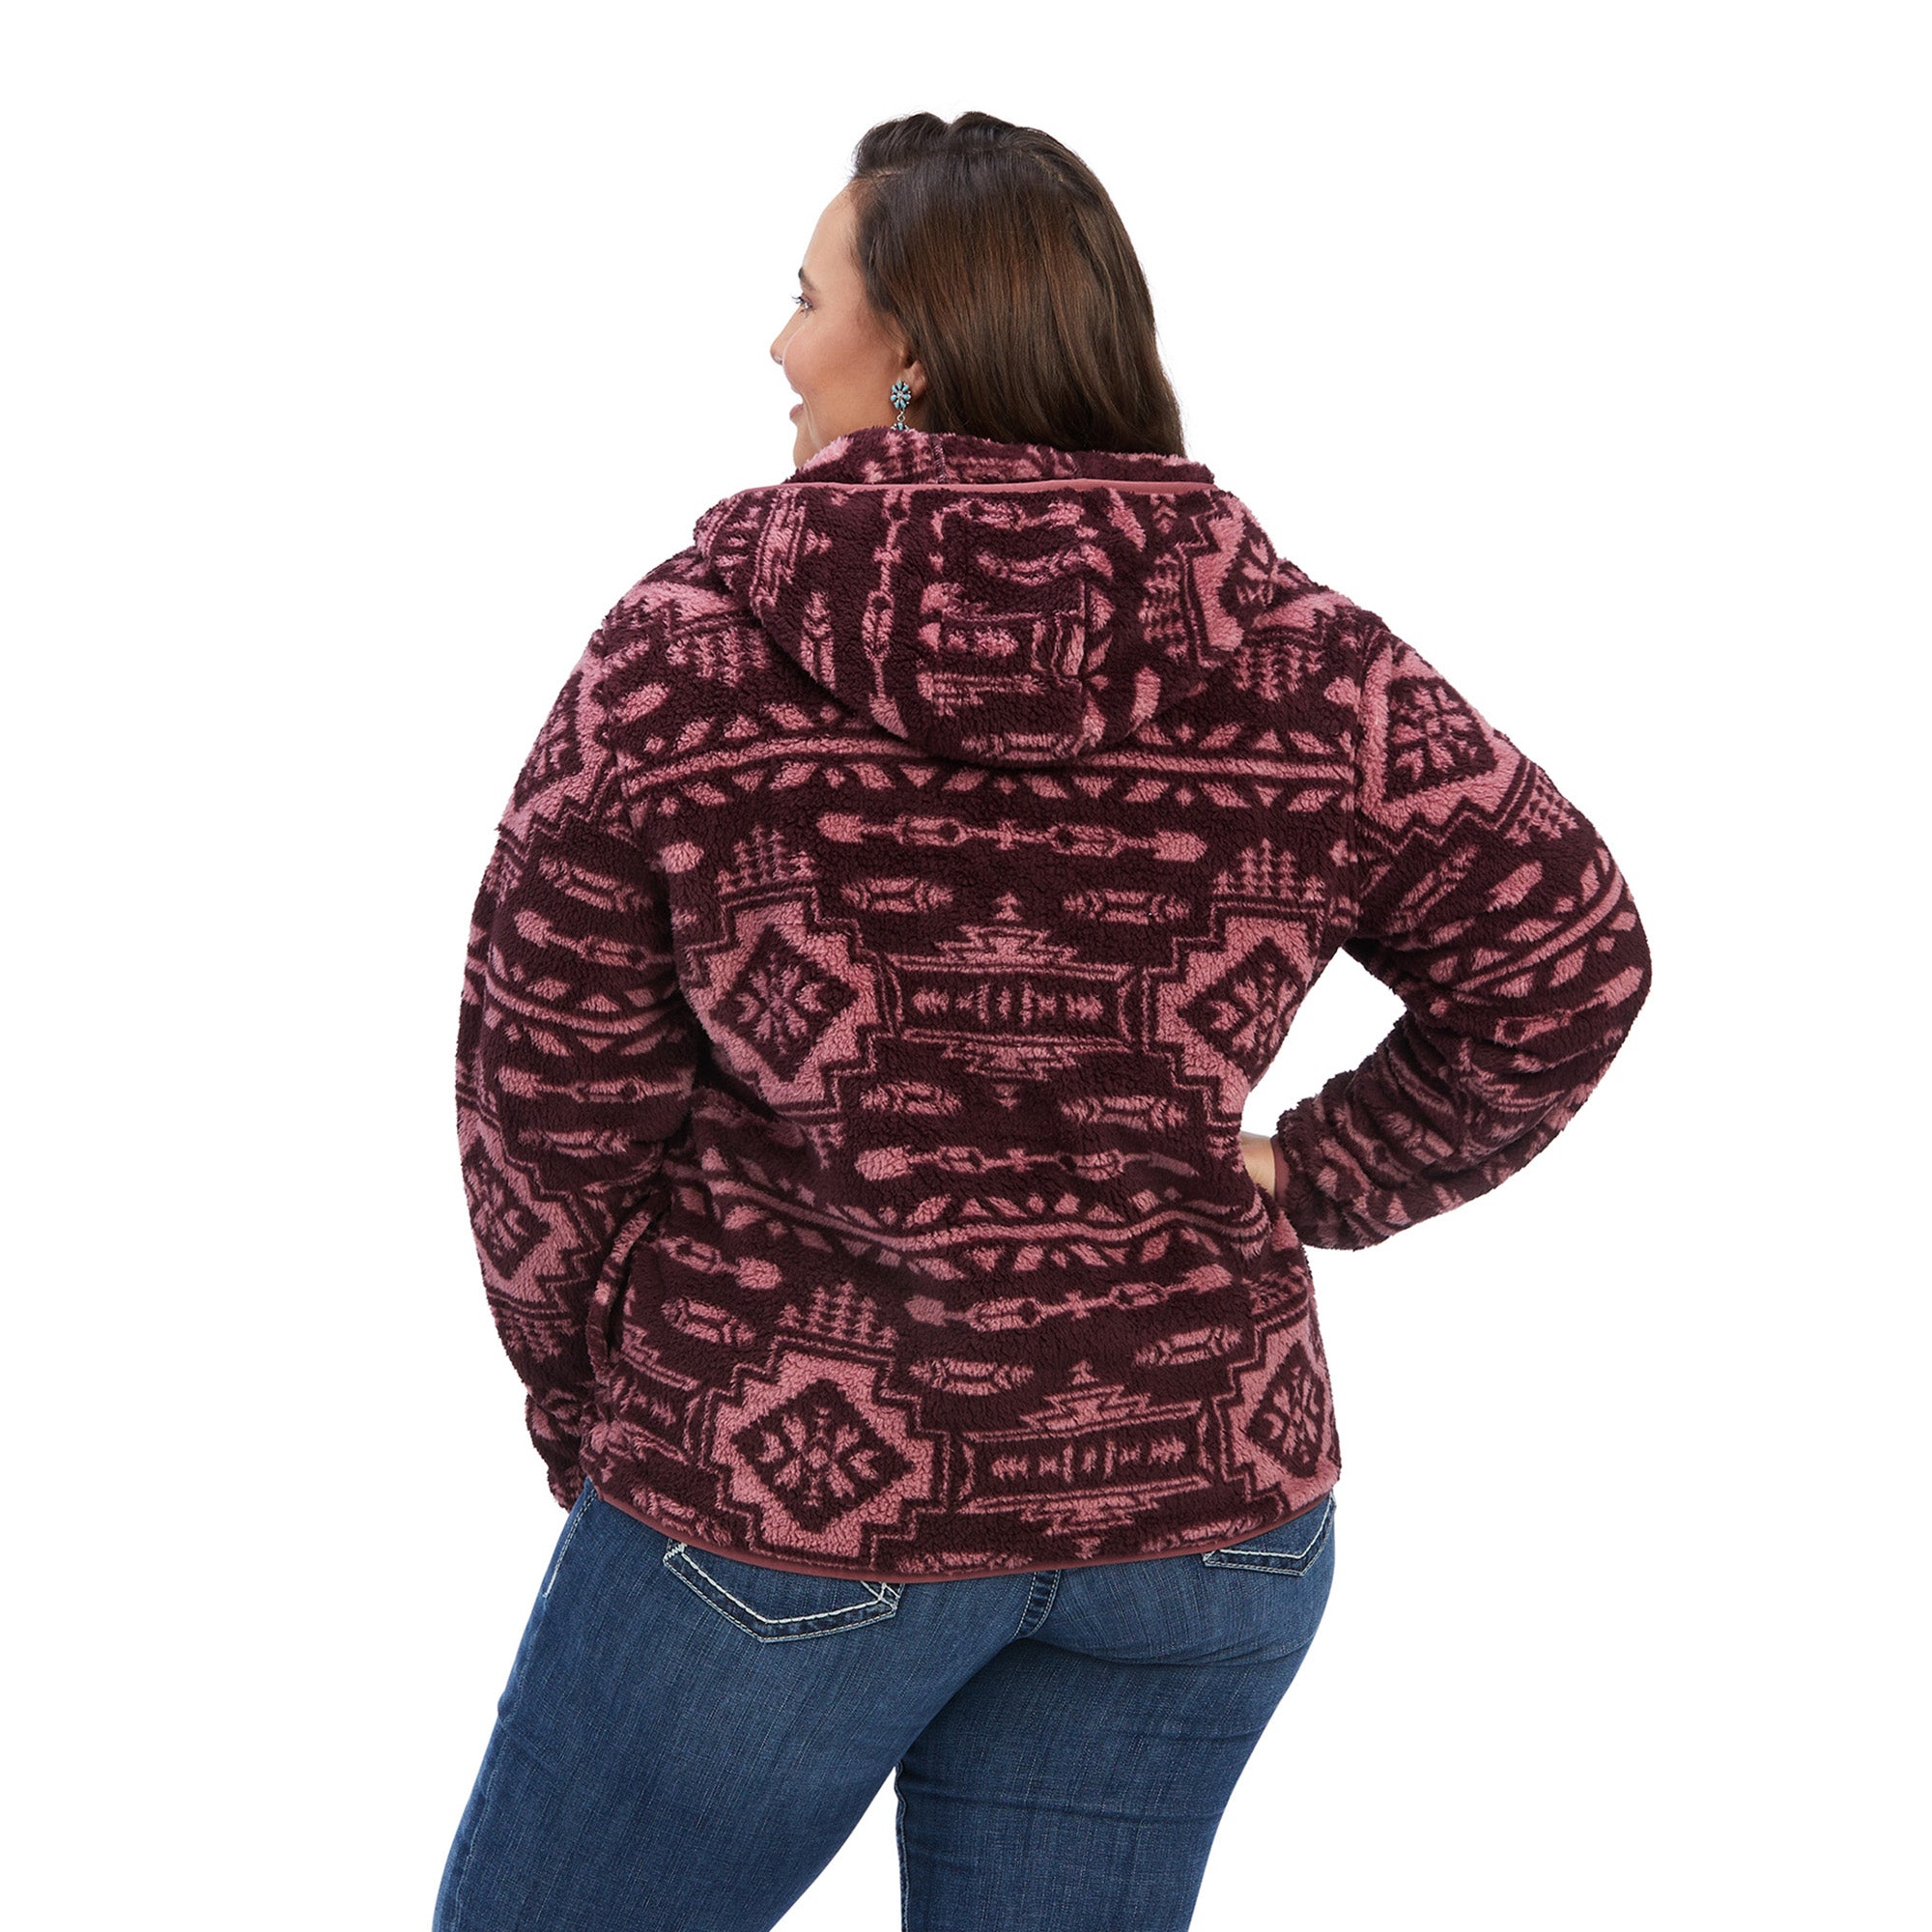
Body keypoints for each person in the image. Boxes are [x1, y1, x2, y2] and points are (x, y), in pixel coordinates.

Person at [434, 110, 1652, 1932]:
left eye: (805, 297)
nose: (777, 345)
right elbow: (1568, 952)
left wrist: (595, 1417)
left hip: (782, 1499)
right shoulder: (1311, 665)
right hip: (1200, 1507)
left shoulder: (683, 658)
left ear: (914, 349)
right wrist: (1304, 1177)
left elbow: (544, 1093)